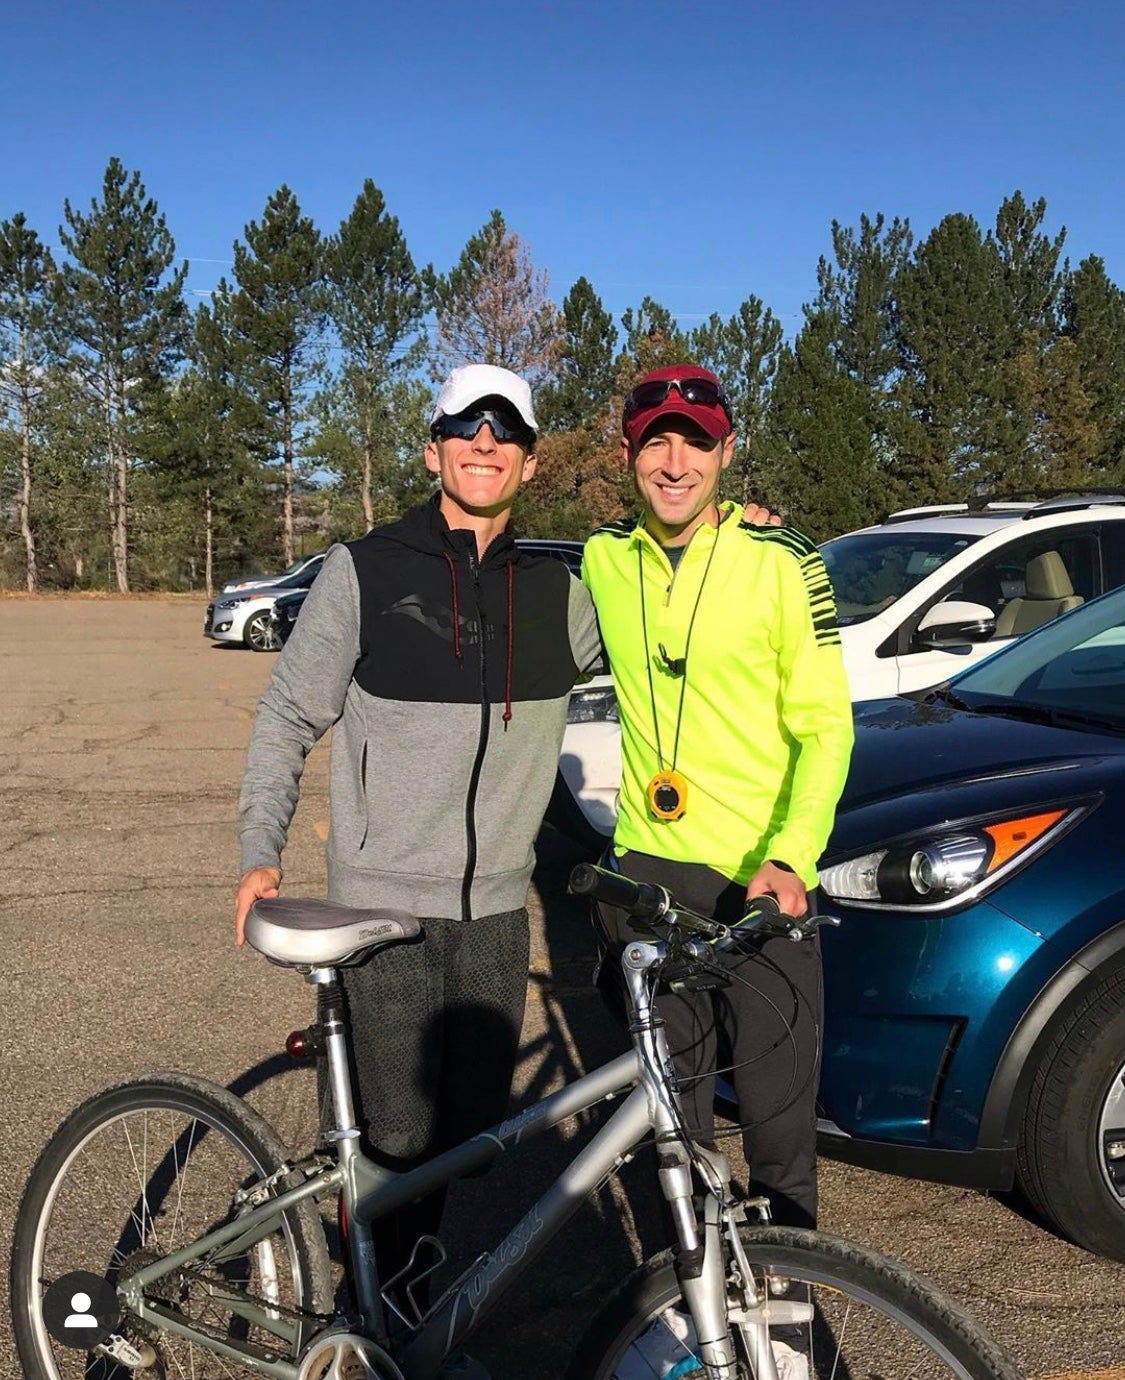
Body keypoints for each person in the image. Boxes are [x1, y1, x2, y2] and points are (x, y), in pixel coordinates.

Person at [234, 363, 605, 1324]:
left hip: (492, 913)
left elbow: (676, 636)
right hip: (381, 908)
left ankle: (392, 1305)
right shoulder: (365, 569)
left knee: (463, 1139)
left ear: (527, 458)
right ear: (434, 446)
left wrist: (740, 538)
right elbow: (285, 716)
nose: (485, 442)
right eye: (465, 425)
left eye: (506, 430)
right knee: (390, 1138)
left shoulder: (558, 594)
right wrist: (258, 855)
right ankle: (364, 1316)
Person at [581, 363, 854, 1237]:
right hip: (650, 877)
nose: (672, 462)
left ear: (725, 454)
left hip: (759, 887)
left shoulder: (784, 558)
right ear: (628, 455)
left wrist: (792, 855)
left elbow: (827, 728)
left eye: (693, 444)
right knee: (677, 1135)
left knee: (778, 1140)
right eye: (653, 441)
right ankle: (688, 1329)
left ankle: (786, 1333)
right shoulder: (602, 558)